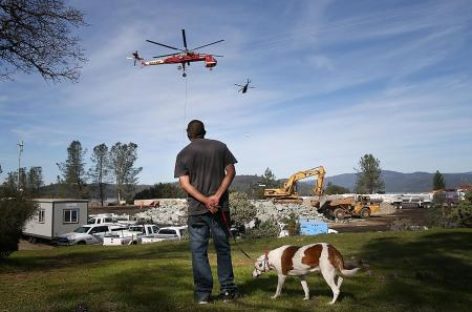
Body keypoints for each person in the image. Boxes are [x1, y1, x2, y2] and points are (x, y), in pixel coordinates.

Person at [174, 120, 239, 304]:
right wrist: (216, 197)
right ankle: (227, 291)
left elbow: (184, 184)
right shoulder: (220, 147)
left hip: (197, 211)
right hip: (220, 208)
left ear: (188, 134)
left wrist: (205, 200)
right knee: (223, 249)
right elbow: (231, 172)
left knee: (198, 252)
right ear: (204, 131)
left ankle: (203, 295)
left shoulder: (183, 153)